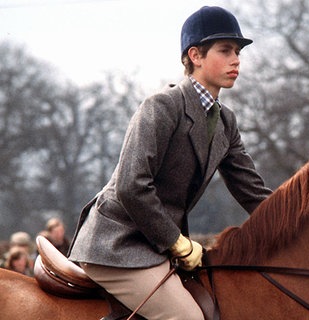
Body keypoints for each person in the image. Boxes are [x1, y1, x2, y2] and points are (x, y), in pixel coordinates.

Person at [68, 6, 272, 320]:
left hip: (156, 248)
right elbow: (131, 186)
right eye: (226, 50)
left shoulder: (225, 122)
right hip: (117, 244)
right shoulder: (162, 106)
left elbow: (253, 193)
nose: (236, 60)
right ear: (196, 55)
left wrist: (304, 225)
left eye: (238, 52)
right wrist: (176, 242)